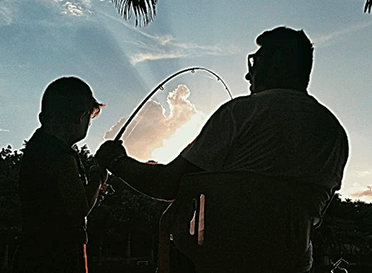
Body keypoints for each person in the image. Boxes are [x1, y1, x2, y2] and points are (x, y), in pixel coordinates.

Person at [95, 26, 349, 272]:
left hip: (212, 264)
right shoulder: (336, 135)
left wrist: (116, 160)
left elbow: (166, 184)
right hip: (293, 264)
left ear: (275, 64)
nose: (248, 75)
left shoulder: (240, 113)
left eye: (255, 63)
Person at [14, 77, 108, 273]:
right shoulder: (63, 157)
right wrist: (97, 177)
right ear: (81, 118)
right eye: (89, 119)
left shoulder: (35, 149)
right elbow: (78, 208)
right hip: (61, 254)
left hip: (30, 251)